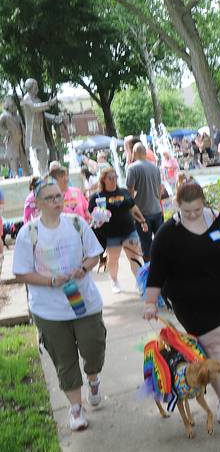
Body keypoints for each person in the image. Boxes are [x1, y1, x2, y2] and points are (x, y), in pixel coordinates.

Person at [143, 179, 220, 423]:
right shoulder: (167, 235)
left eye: (197, 209)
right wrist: (150, 303)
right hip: (192, 303)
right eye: (187, 211)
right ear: (177, 206)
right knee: (216, 347)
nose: (193, 215)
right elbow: (156, 273)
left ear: (204, 203)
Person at [13, 177, 104, 431]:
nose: (56, 201)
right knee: (64, 359)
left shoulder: (76, 223)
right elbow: (21, 273)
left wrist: (83, 268)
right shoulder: (28, 233)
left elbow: (95, 253)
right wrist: (51, 280)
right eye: (50, 198)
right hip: (49, 309)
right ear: (38, 204)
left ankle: (93, 378)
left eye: (58, 196)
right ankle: (76, 409)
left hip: (84, 301)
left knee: (93, 347)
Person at [88, 166, 147, 293]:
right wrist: (98, 217)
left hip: (129, 231)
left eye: (115, 177)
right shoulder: (97, 196)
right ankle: (114, 280)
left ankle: (140, 282)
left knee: (134, 257)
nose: (114, 180)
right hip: (111, 234)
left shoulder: (124, 192)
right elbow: (91, 215)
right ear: (103, 180)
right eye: (110, 178)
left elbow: (133, 208)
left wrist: (142, 220)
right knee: (113, 260)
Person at [125, 143, 164, 261]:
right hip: (157, 210)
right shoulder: (155, 167)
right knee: (161, 243)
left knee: (146, 246)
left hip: (142, 213)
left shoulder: (132, 168)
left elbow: (129, 193)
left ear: (134, 153)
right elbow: (159, 191)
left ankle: (149, 271)